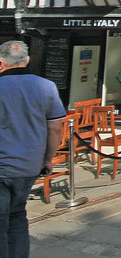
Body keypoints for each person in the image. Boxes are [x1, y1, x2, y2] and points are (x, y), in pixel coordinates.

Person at [0, 40, 64, 257]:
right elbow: (55, 128)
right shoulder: (47, 86)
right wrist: (48, 159)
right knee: (17, 215)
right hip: (28, 165)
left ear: (1, 63)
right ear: (27, 60)